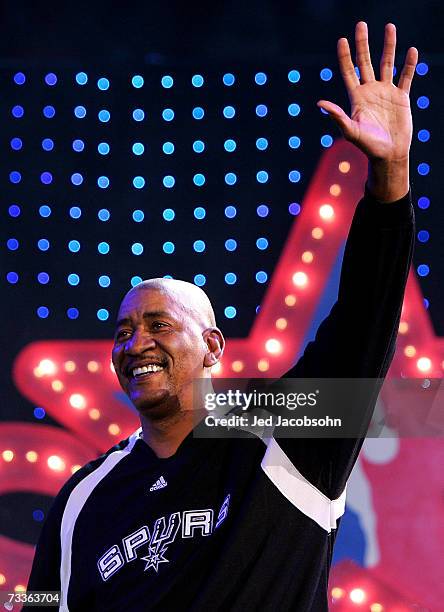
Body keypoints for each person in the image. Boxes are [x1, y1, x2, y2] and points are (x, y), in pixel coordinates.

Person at [26, 21, 417, 611]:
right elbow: (36, 605)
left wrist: (389, 180)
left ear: (212, 345)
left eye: (159, 325)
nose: (136, 344)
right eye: (124, 332)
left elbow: (366, 317)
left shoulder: (291, 439)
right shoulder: (83, 496)